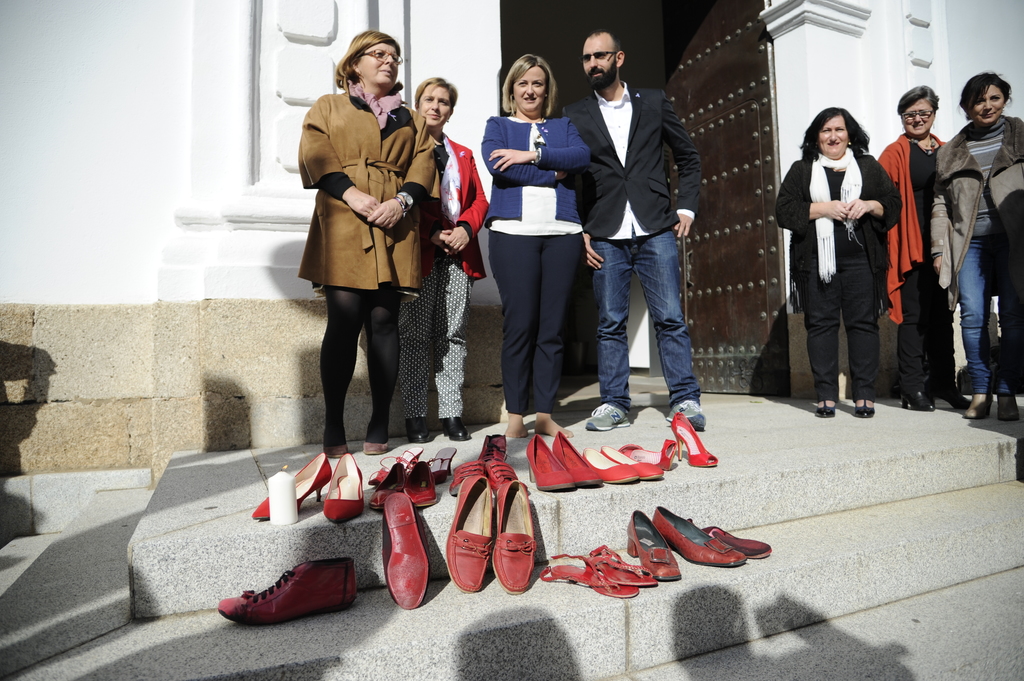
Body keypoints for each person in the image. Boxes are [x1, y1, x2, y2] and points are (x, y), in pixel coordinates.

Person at [297, 30, 435, 456]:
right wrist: (351, 193)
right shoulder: (330, 105)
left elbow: (424, 161)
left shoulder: (413, 119)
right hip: (344, 219)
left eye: (395, 56)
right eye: (379, 54)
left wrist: (402, 201)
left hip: (394, 223)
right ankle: (334, 426)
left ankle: (379, 422)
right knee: (342, 322)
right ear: (355, 63)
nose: (389, 61)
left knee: (383, 322)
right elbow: (315, 151)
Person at [563, 30, 704, 432]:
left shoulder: (655, 101)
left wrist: (686, 207)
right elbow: (569, 179)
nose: (593, 63)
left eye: (600, 56)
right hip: (605, 230)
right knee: (609, 322)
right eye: (587, 57)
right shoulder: (574, 114)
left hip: (656, 224)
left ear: (619, 57)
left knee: (670, 317)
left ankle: (684, 399)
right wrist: (580, 229)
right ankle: (614, 404)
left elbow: (688, 157)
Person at [482, 54, 590, 439]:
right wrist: (552, 174)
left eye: (538, 83)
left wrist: (532, 155)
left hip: (562, 233)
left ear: (547, 90)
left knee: (551, 329)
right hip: (513, 234)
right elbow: (499, 166)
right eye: (523, 83)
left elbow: (580, 157)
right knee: (520, 326)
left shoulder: (563, 126)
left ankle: (544, 414)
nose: (530, 90)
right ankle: (516, 416)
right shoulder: (498, 125)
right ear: (512, 88)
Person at [776, 108, 901, 418]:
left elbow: (893, 204)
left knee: (863, 326)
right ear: (816, 137)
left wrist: (871, 204)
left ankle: (865, 397)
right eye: (826, 131)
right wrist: (823, 208)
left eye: (839, 130)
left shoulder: (868, 167)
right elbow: (784, 211)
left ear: (850, 135)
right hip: (817, 264)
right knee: (821, 327)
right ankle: (826, 397)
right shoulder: (802, 169)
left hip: (862, 262)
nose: (833, 136)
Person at [398, 78, 489, 443]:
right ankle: (416, 416)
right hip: (422, 251)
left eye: (444, 101)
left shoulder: (463, 153)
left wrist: (466, 228)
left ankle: (451, 414)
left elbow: (480, 199)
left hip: (458, 253)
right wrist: (432, 231)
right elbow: (402, 197)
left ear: (451, 110)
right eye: (429, 99)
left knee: (453, 335)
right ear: (418, 105)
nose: (436, 106)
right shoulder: (404, 148)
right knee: (416, 336)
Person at [932, 72, 1024, 421]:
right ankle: (981, 391)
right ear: (966, 107)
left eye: (994, 98)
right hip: (970, 243)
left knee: (1014, 317)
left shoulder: (1020, 137)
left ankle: (1007, 392)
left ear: (1005, 100)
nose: (986, 106)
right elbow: (940, 204)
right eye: (978, 101)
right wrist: (939, 249)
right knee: (972, 316)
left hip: (1016, 240)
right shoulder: (951, 152)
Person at [879, 87, 970, 412]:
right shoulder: (894, 153)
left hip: (943, 247)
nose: (917, 119)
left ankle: (944, 384)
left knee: (944, 317)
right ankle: (912, 387)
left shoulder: (947, 149)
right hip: (910, 246)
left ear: (933, 114)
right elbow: (879, 197)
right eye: (910, 114)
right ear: (902, 117)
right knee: (914, 319)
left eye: (923, 113)